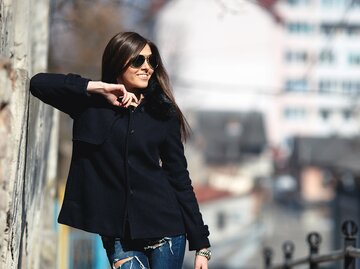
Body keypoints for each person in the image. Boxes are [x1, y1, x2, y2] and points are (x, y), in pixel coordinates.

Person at [30, 31, 211, 269]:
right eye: (139, 60)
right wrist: (98, 88)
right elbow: (38, 84)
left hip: (166, 230)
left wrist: (201, 246)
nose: (147, 67)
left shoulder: (163, 114)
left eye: (151, 61)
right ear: (118, 62)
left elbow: (179, 178)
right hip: (117, 233)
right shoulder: (89, 105)